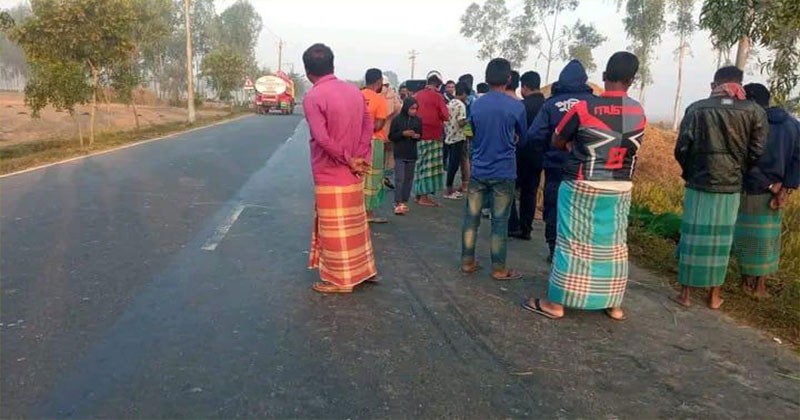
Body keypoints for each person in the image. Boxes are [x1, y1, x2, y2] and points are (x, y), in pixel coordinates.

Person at [523, 52, 646, 321]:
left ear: (604, 76)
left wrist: (571, 145)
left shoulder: (583, 108)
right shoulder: (639, 111)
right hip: (620, 187)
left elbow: (557, 139)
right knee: (612, 245)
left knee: (571, 244)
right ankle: (613, 304)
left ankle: (556, 303)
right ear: (632, 80)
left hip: (581, 184)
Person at [674, 66, 767, 309]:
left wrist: (690, 171)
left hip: (699, 183)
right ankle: (714, 296)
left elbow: (682, 148)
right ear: (740, 84)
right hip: (730, 186)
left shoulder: (696, 109)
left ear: (715, 83)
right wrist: (739, 171)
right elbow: (757, 152)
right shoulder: (755, 112)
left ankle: (685, 294)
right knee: (720, 242)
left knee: (693, 237)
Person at [302, 43, 377, 294]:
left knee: (334, 229)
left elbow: (322, 138)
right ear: (333, 65)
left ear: (308, 72)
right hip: (354, 170)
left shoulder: (313, 97)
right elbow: (369, 124)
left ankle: (340, 279)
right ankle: (362, 270)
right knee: (356, 225)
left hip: (331, 171)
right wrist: (360, 156)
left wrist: (347, 158)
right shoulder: (354, 92)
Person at [461, 58, 527, 281]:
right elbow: (523, 137)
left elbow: (472, 131)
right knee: (500, 222)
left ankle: (467, 261)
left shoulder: (476, 103)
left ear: (486, 78)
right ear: (509, 79)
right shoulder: (516, 106)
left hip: (479, 168)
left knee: (471, 218)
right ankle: (499, 268)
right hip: (504, 170)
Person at [733, 83, 799, 299]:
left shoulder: (751, 123)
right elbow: (797, 160)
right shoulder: (792, 124)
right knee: (768, 240)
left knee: (747, 238)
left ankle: (746, 282)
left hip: (753, 187)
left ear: (750, 100)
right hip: (777, 191)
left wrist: (768, 185)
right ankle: (761, 286)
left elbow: (745, 159)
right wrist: (785, 189)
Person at [527, 60, 595, 262]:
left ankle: (554, 250)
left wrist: (545, 153)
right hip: (586, 170)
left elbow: (534, 135)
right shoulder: (594, 104)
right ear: (584, 80)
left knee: (554, 207)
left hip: (556, 166)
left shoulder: (551, 103)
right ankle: (579, 252)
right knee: (582, 211)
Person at [508, 71, 546, 240]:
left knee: (509, 189)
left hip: (519, 154)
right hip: (538, 156)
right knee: (530, 192)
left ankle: (513, 225)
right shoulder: (546, 105)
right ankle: (526, 228)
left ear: (524, 87)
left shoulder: (522, 106)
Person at [413, 70, 449, 207]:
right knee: (429, 168)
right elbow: (446, 116)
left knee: (420, 165)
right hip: (433, 136)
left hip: (418, 135)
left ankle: (418, 195)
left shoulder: (417, 95)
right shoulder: (438, 97)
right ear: (439, 84)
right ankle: (424, 197)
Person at [361, 68, 390, 224]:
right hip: (374, 142)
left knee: (360, 175)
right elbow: (379, 124)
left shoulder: (357, 96)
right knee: (373, 177)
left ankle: (358, 210)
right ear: (379, 82)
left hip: (357, 141)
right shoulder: (379, 100)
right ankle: (369, 212)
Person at [389, 98, 423, 215]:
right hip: (399, 153)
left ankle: (404, 201)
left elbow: (420, 135)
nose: (414, 111)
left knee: (408, 180)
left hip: (411, 153)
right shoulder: (397, 120)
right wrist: (403, 134)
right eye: (412, 108)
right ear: (406, 108)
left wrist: (416, 136)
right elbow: (391, 136)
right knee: (399, 178)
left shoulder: (418, 120)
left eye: (416, 109)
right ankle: (398, 202)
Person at [444, 82, 469, 199]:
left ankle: (450, 188)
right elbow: (461, 122)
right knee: (454, 165)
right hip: (458, 137)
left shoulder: (450, 103)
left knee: (451, 164)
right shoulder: (461, 105)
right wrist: (469, 121)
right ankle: (449, 190)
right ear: (463, 94)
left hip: (449, 136)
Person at [382, 77, 403, 191]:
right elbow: (398, 110)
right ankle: (384, 177)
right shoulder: (393, 96)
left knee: (379, 156)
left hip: (378, 131)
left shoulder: (374, 95)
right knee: (388, 156)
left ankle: (380, 178)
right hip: (389, 130)